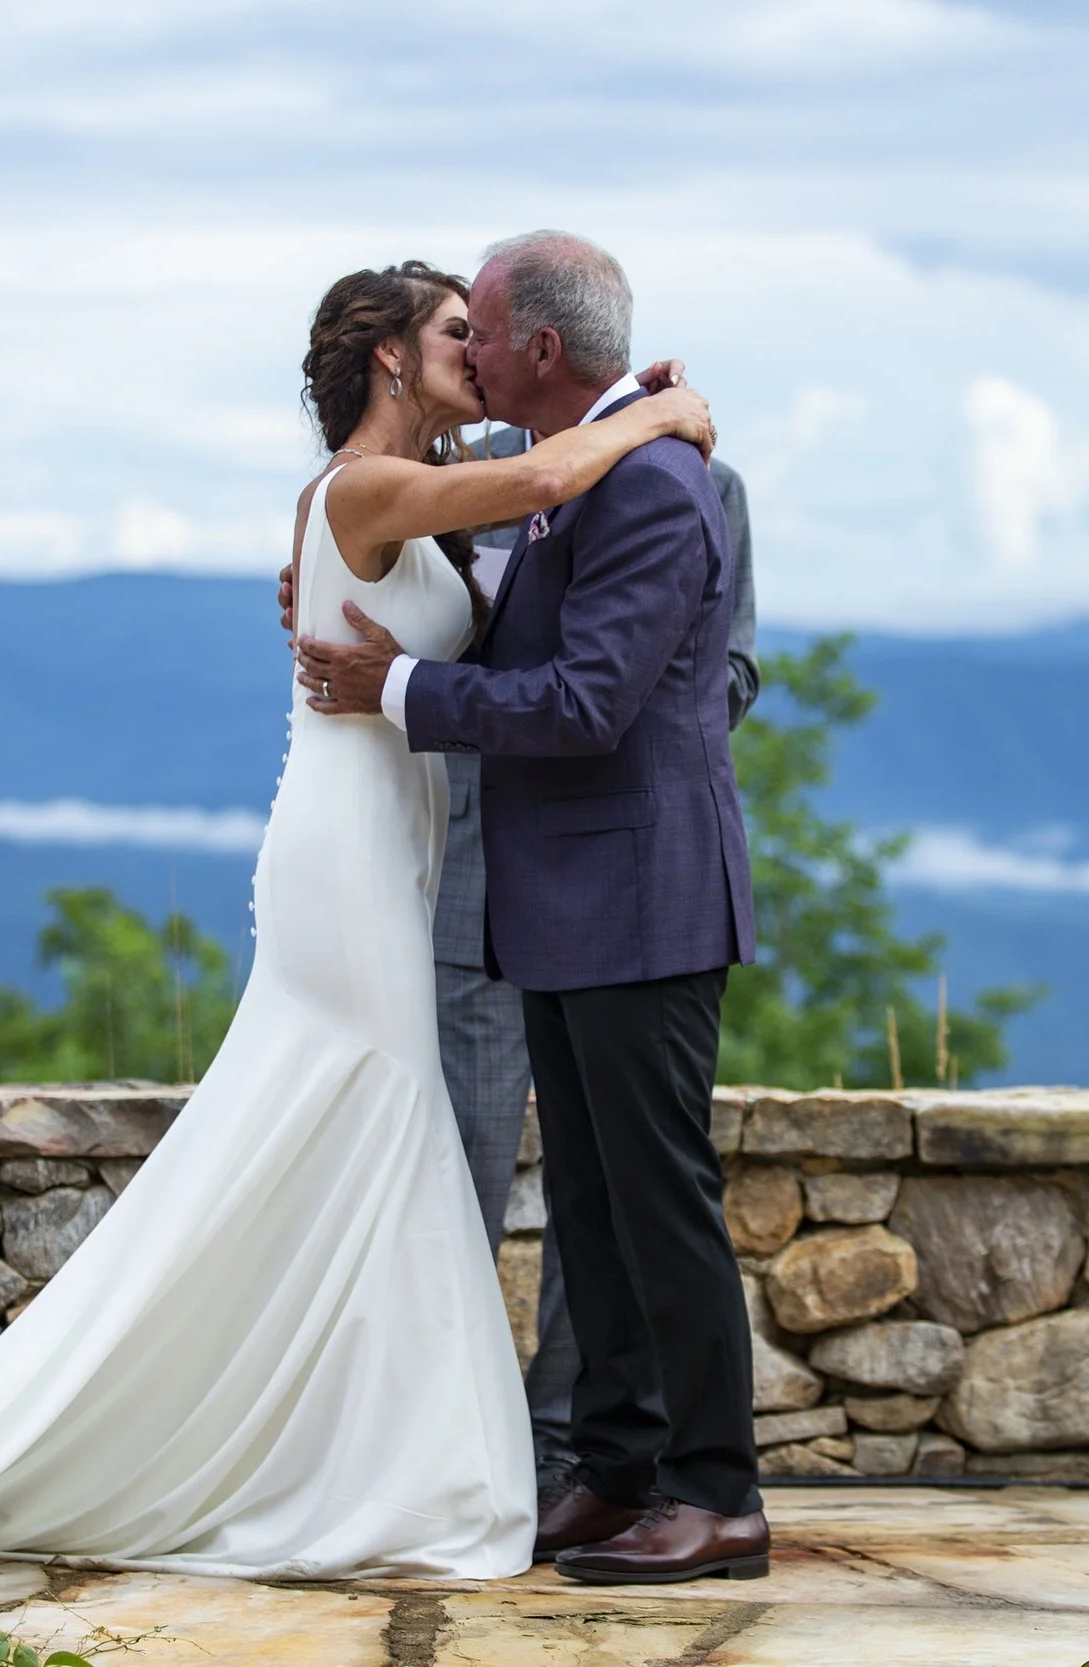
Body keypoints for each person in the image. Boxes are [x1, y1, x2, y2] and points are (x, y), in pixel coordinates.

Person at [0, 258, 713, 1581]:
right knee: (388, 1112)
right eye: (454, 333)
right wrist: (654, 415)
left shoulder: (414, 496)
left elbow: (517, 549)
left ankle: (341, 1447)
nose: (477, 350)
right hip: (348, 852)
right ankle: (393, 1463)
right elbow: (536, 482)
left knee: (342, 1131)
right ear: (390, 361)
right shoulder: (365, 487)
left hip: (401, 850)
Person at [298, 230, 767, 1586]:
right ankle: (616, 1474)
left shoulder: (656, 489)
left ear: (541, 352)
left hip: (639, 897)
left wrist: (394, 691)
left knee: (660, 1201)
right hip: (572, 905)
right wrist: (386, 620)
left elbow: (586, 703)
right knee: (600, 1206)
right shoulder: (578, 485)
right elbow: (523, 641)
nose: (475, 356)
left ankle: (716, 1490)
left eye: (485, 333)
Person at [453, 429, 761, 1493]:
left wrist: (617, 739)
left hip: (615, 880)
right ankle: (464, 1437)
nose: (473, 352)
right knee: (472, 1177)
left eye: (478, 327)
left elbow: (726, 667)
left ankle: (596, 1454)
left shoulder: (689, 475)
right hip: (456, 880)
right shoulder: (449, 486)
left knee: (633, 1192)